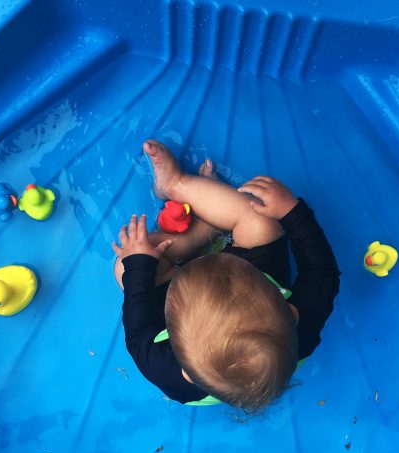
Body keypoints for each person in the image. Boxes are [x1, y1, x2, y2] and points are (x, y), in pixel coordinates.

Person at [112, 139, 340, 410]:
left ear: (185, 370)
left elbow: (137, 330)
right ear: (290, 312)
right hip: (254, 270)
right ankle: (181, 189)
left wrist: (140, 263)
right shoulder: (302, 328)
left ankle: (197, 217)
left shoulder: (166, 371)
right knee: (263, 223)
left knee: (124, 267)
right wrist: (292, 212)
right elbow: (322, 271)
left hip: (178, 286)